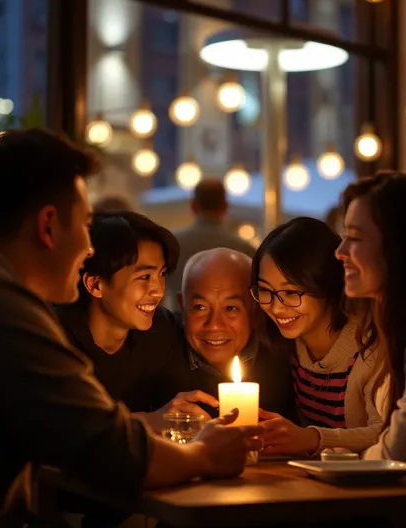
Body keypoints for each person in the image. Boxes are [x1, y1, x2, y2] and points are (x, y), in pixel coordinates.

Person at [0, 129, 262, 524]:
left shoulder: (157, 333)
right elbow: (108, 448)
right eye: (86, 226)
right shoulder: (12, 314)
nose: (90, 249)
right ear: (48, 226)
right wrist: (205, 454)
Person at [57, 210, 218, 427]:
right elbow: (51, 430)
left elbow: (182, 408)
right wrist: (150, 421)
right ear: (96, 285)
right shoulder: (53, 338)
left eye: (161, 274)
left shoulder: (160, 332)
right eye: (144, 277)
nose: (158, 291)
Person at [250, 217, 384, 456]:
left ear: (326, 284)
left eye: (290, 292)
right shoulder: (288, 344)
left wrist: (311, 438)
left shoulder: (370, 346)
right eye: (265, 290)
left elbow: (386, 433)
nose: (276, 307)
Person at [156, 248, 295, 420]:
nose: (214, 325)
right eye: (200, 307)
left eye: (231, 308)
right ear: (182, 306)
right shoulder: (157, 348)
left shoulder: (285, 353)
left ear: (256, 308)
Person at [335, 171, 406, 461]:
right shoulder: (389, 326)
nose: (340, 251)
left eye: (354, 237)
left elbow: (401, 452)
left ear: (398, 245)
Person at [166, 179, 255, 311]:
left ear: (193, 206)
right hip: (231, 326)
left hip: (178, 322)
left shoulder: (171, 244)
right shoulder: (244, 250)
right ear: (225, 207)